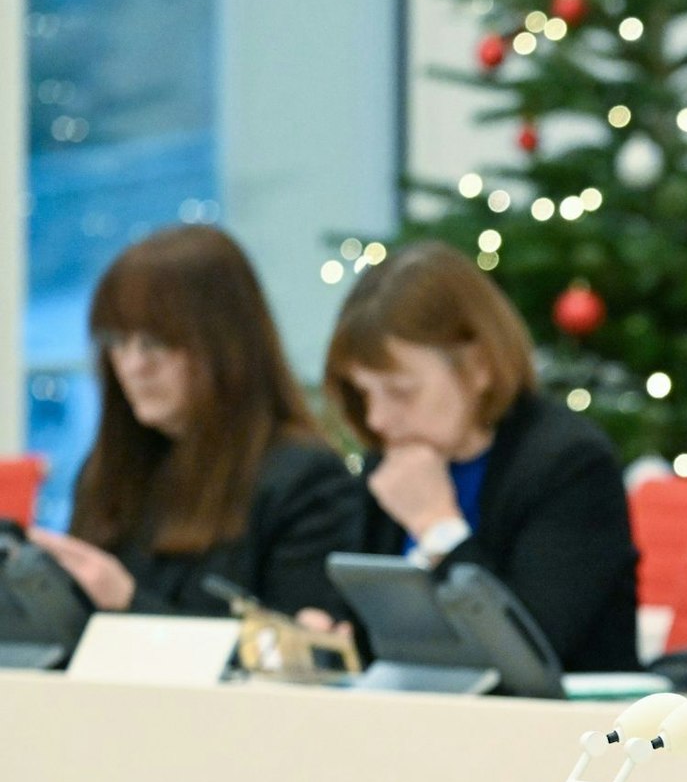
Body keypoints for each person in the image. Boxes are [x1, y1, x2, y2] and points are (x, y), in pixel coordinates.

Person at [323, 241, 641, 672]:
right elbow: (370, 635)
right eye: (365, 393)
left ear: (478, 367)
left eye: (400, 392)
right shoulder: (390, 463)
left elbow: (531, 653)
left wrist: (437, 527)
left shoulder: (571, 465)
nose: (377, 419)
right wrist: (327, 635)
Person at [32, 225, 358, 619]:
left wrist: (128, 602)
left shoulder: (304, 480)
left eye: (156, 342)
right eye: (118, 342)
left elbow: (300, 648)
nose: (134, 365)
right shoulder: (110, 470)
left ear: (226, 344)